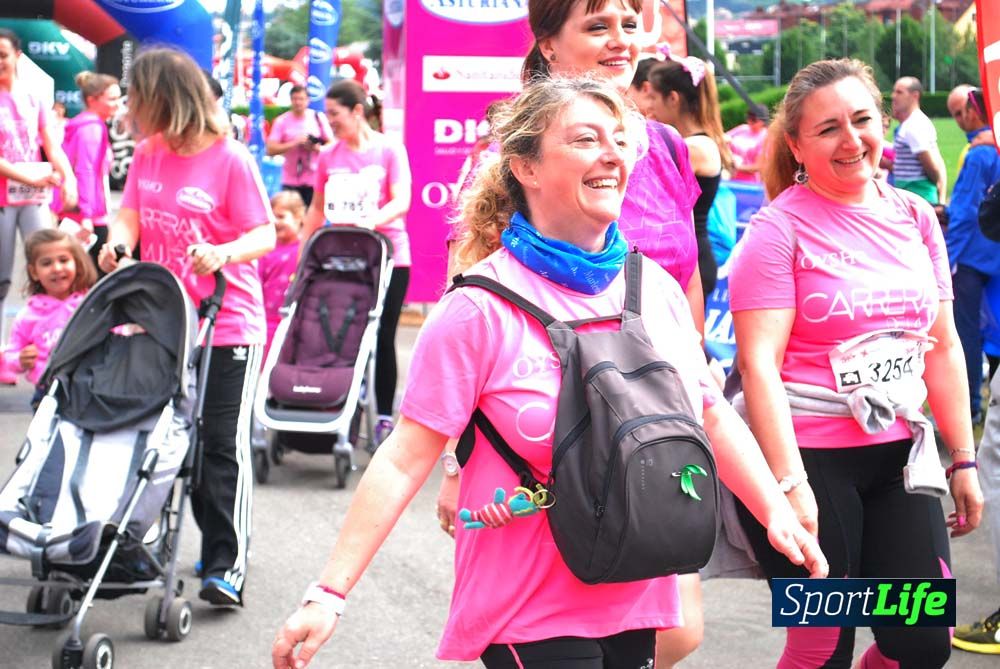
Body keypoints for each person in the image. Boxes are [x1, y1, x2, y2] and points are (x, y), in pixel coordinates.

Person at [271, 76, 826, 669]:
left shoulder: (654, 289)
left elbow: (710, 414)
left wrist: (775, 510)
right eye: (586, 139)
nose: (612, 153)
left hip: (637, 590)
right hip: (525, 608)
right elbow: (405, 457)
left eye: (620, 139)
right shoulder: (478, 308)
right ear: (526, 168)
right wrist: (327, 594)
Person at [441, 3, 706, 665]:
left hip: (659, 431)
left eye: (628, 21)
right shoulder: (527, 142)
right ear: (549, 46)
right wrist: (456, 458)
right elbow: (472, 305)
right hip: (557, 442)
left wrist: (695, 409)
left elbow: (686, 276)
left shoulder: (666, 145)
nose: (620, 40)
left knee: (677, 630)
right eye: (596, 26)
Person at [730, 58, 984, 668]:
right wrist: (789, 487)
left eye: (862, 119)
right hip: (807, 459)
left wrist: (962, 457)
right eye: (827, 129)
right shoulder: (775, 231)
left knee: (919, 644)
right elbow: (758, 366)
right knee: (823, 643)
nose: (852, 140)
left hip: (901, 456)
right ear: (795, 143)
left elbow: (942, 344)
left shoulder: (915, 216)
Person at [97, 46, 276, 608]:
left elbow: (264, 234)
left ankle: (226, 565)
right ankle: (139, 546)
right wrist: (118, 243)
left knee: (219, 447)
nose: (131, 109)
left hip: (228, 324)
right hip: (164, 320)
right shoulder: (149, 152)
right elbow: (128, 211)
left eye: (139, 98)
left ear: (165, 100)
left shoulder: (230, 159)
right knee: (154, 439)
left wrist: (222, 253)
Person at [303, 79, 412, 447]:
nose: (329, 122)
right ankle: (344, 407)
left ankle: (383, 417)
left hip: (388, 255)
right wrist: (303, 256)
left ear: (357, 111)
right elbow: (316, 209)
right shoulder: (329, 156)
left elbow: (403, 200)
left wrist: (373, 219)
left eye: (335, 115)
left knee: (383, 336)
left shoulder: (389, 150)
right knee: (344, 334)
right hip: (343, 259)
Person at [0, 28, 77, 345]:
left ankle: (45, 343)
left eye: (3, 55)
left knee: (49, 268)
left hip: (34, 198)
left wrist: (69, 178)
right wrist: (27, 177)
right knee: (1, 278)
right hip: (4, 198)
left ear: (17, 56)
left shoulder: (34, 98)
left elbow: (51, 144)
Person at [647, 57, 734, 298]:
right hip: (685, 259)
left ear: (673, 98)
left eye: (653, 97)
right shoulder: (694, 143)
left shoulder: (694, 147)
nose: (650, 106)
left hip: (690, 262)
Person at [942, 85, 1000, 426]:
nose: (961, 118)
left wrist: (947, 257)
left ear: (977, 111)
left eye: (963, 110)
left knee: (966, 334)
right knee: (994, 332)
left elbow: (964, 212)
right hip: (995, 257)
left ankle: (969, 409)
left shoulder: (979, 153)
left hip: (971, 259)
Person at [2, 228, 95, 402]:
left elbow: (114, 333)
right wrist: (21, 359)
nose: (57, 268)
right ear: (34, 272)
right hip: (47, 394)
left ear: (76, 263)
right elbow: (11, 355)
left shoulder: (89, 305)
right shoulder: (28, 315)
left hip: (88, 390)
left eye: (64, 260)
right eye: (46, 263)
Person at [57, 71, 121, 270]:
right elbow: (84, 172)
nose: (118, 104)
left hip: (85, 213)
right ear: (92, 100)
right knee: (93, 277)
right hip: (88, 217)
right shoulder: (91, 129)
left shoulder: (88, 125)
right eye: (112, 99)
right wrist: (86, 216)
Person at [266, 84, 332, 207]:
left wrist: (315, 148)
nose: (298, 102)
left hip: (314, 179)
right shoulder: (282, 121)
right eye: (295, 99)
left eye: (301, 99)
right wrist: (294, 143)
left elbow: (332, 145)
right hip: (290, 180)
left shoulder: (318, 118)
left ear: (308, 100)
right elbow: (270, 149)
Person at [259, 190, 303, 357]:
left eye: (281, 216)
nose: (275, 222)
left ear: (299, 217)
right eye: (272, 216)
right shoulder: (264, 249)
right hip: (264, 322)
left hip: (291, 324)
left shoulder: (304, 250)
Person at [891, 76, 946, 204]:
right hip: (913, 196)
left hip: (918, 197)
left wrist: (937, 185)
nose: (894, 96)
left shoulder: (914, 125)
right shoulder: (912, 122)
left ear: (915, 96)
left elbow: (931, 166)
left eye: (899, 92)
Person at [726, 104, 768, 183]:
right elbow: (724, 138)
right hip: (731, 179)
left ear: (762, 121)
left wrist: (736, 167)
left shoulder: (765, 137)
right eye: (748, 119)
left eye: (754, 120)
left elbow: (758, 166)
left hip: (749, 183)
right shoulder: (742, 128)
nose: (750, 122)